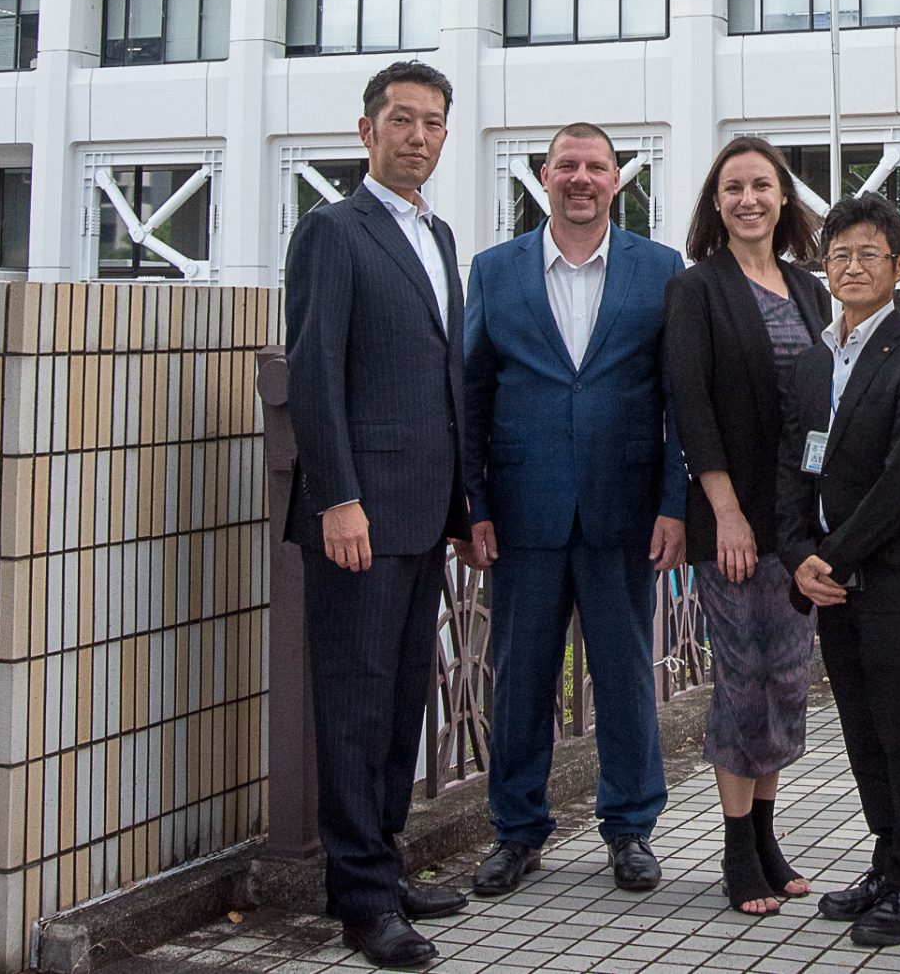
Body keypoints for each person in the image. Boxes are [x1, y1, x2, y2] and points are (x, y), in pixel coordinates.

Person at [459, 124, 688, 899]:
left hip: (625, 509)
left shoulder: (659, 268)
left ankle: (630, 827)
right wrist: (473, 503)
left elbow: (679, 399)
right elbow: (471, 394)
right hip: (523, 511)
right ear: (545, 175)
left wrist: (674, 504)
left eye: (596, 166)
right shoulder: (495, 270)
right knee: (520, 678)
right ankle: (516, 830)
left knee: (626, 676)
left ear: (617, 178)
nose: (581, 178)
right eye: (568, 165)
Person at [280, 61, 476, 970]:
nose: (418, 136)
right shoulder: (332, 230)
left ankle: (383, 866)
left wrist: (463, 505)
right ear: (367, 131)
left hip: (423, 514)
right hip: (359, 516)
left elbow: (445, 379)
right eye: (402, 119)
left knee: (402, 702)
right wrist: (339, 497)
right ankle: (360, 900)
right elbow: (315, 371)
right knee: (355, 706)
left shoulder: (439, 234)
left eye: (433, 122)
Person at [777, 192, 900, 950]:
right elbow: (794, 465)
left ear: (899, 266)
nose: (852, 267)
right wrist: (797, 554)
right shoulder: (816, 359)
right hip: (830, 583)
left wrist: (833, 556)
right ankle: (887, 861)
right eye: (840, 254)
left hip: (897, 581)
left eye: (868, 254)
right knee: (860, 727)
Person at [662, 138, 830, 915]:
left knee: (787, 678)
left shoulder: (810, 289)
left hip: (797, 523)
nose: (748, 198)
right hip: (732, 517)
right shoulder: (696, 290)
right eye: (733, 187)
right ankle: (736, 848)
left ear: (784, 197)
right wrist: (726, 514)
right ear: (716, 202)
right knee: (741, 676)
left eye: (762, 184)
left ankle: (766, 835)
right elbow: (692, 408)